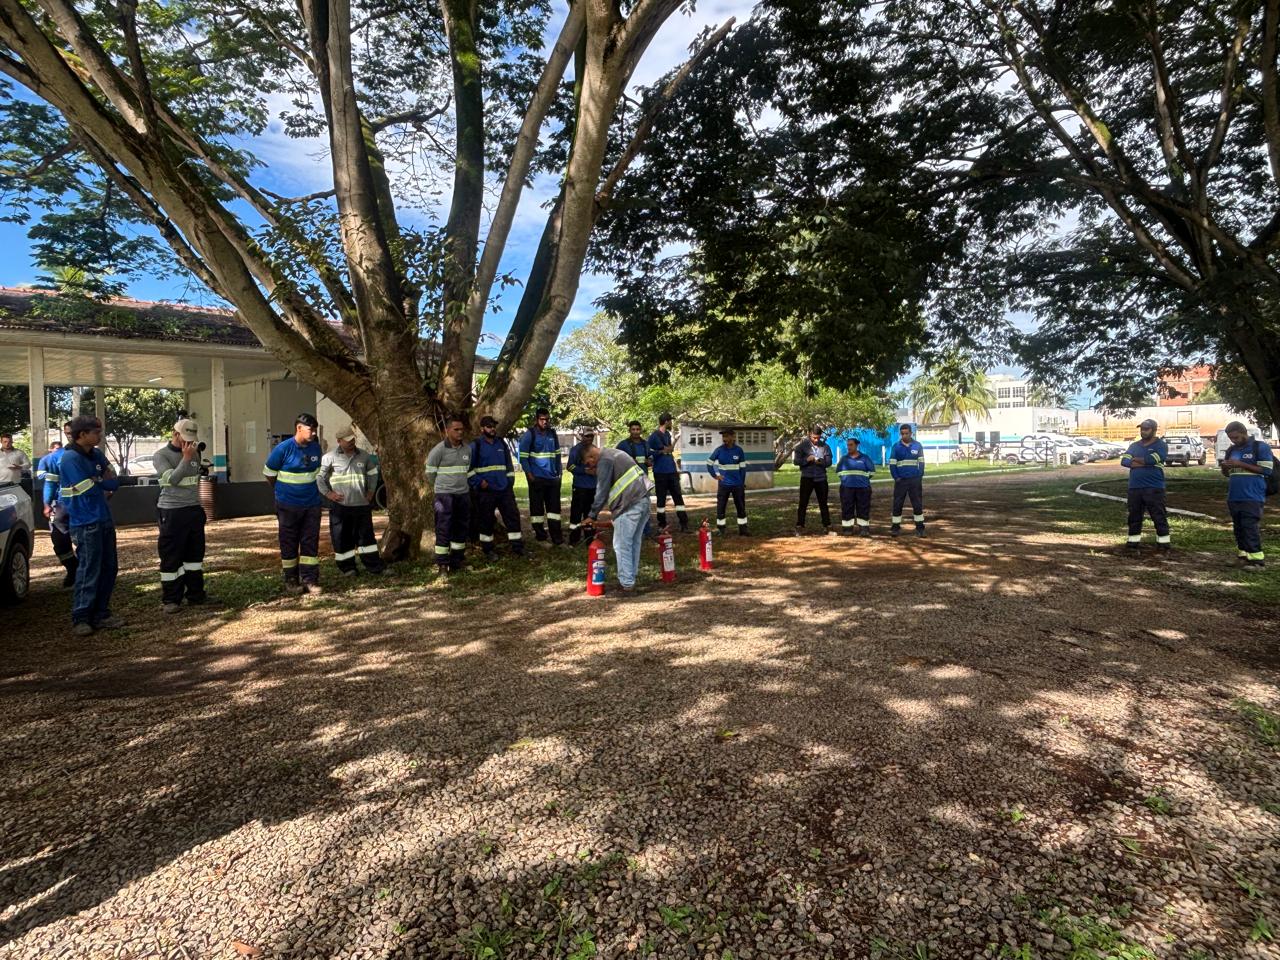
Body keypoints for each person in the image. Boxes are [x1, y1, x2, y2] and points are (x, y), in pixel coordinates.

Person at [58, 416, 121, 635]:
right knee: (89, 569)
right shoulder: (70, 459)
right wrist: (100, 481)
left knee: (109, 567)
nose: (100, 436)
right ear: (82, 434)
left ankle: (101, 613)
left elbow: (114, 481)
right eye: (96, 432)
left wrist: (98, 481)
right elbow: (87, 487)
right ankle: (81, 617)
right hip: (85, 522)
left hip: (103, 518)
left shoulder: (96, 454)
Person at [264, 412, 324, 594]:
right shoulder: (283, 449)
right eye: (311, 429)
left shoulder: (316, 448)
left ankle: (309, 580)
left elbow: (317, 473)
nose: (314, 433)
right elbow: (269, 473)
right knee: (289, 542)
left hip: (312, 504)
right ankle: (291, 580)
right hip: (288, 505)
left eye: (315, 430)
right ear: (299, 428)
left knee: (310, 541)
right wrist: (283, 491)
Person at [152, 418, 208, 612]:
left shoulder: (194, 452)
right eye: (185, 438)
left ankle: (196, 594)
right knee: (171, 555)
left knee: (194, 556)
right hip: (172, 511)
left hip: (193, 509)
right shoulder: (161, 456)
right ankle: (171, 599)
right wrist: (186, 458)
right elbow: (173, 480)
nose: (189, 442)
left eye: (191, 439)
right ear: (175, 434)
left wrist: (191, 456)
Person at [580, 444, 651, 593]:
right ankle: (630, 579)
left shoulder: (604, 460)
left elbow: (602, 490)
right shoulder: (615, 453)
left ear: (591, 456)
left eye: (588, 463)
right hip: (643, 501)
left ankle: (627, 583)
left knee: (622, 545)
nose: (589, 466)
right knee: (633, 543)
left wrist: (592, 515)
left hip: (628, 505)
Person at [317, 424, 384, 577]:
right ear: (339, 441)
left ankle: (374, 566)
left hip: (361, 505)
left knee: (366, 537)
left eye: (353, 439)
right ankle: (348, 568)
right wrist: (329, 494)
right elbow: (320, 478)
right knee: (342, 538)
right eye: (348, 440)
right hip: (340, 507)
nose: (351, 442)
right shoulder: (329, 458)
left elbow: (373, 474)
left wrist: (371, 491)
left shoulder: (364, 456)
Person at [469, 415, 525, 560]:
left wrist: (510, 481)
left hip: (504, 489)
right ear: (482, 429)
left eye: (494, 426)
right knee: (486, 521)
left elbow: (509, 465)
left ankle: (517, 548)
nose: (492, 429)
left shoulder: (501, 443)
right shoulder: (475, 445)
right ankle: (488, 550)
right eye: (489, 426)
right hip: (486, 491)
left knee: (512, 517)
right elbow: (468, 469)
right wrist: (479, 482)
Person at [1220, 421, 1273, 568]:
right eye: (1231, 438)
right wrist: (1225, 467)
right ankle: (1243, 556)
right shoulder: (1232, 450)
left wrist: (1241, 464)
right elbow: (1228, 474)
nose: (1234, 441)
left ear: (1244, 433)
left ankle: (1257, 561)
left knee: (1249, 527)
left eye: (1236, 437)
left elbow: (1266, 470)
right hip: (1234, 495)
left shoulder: (1259, 447)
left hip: (1252, 495)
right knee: (1238, 528)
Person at [426, 415, 472, 574]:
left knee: (461, 528)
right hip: (444, 496)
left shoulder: (467, 449)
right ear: (447, 431)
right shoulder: (438, 450)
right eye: (456, 429)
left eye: (462, 429)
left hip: (463, 495)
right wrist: (442, 487)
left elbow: (468, 470)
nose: (460, 432)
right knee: (443, 528)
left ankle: (457, 561)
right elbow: (430, 473)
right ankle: (442, 565)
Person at [1120, 418, 1170, 550]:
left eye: (1146, 429)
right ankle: (1133, 542)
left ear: (1154, 430)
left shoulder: (1161, 445)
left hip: (1154, 487)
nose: (1143, 431)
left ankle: (1164, 543)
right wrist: (1143, 462)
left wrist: (1135, 460)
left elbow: (1153, 460)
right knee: (1134, 516)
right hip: (1135, 487)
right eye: (1142, 429)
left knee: (1158, 515)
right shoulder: (1134, 445)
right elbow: (1124, 461)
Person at [518, 408, 565, 546]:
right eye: (542, 419)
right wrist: (530, 475)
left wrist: (559, 473)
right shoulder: (530, 434)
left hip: (552, 478)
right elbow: (523, 457)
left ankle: (557, 539)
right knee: (537, 510)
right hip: (537, 478)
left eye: (547, 419)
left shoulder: (552, 434)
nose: (545, 422)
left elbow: (557, 454)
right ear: (537, 420)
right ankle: (541, 538)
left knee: (554, 511)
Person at [37, 430, 77, 587]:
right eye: (67, 433)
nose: (70, 435)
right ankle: (72, 568)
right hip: (61, 504)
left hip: (85, 505)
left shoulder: (94, 455)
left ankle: (86, 571)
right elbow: (49, 481)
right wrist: (47, 503)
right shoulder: (52, 458)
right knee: (59, 540)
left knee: (85, 540)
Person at [649, 413, 688, 532]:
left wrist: (667, 450)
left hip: (671, 471)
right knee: (661, 499)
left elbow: (670, 449)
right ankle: (662, 525)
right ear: (666, 421)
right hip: (660, 472)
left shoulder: (667, 434)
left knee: (678, 497)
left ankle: (684, 524)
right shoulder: (654, 436)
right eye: (670, 421)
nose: (671, 423)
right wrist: (661, 451)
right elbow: (649, 452)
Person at [707, 427, 750, 535]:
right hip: (724, 485)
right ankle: (721, 530)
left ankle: (743, 530)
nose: (724, 439)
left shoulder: (739, 450)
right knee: (721, 507)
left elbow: (743, 468)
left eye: (726, 436)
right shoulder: (719, 450)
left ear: (733, 437)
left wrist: (741, 482)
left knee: (741, 507)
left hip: (737, 485)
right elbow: (709, 463)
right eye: (723, 436)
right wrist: (715, 476)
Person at [793, 427, 834, 535]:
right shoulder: (802, 446)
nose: (816, 440)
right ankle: (800, 526)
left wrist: (820, 462)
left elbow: (829, 462)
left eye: (818, 438)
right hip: (807, 478)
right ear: (809, 435)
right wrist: (807, 460)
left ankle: (827, 526)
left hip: (821, 478)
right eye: (814, 438)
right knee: (803, 502)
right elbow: (796, 461)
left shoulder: (825, 447)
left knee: (823, 503)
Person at [889, 424, 926, 537]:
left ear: (911, 433)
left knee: (917, 504)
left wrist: (919, 476)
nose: (904, 435)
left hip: (914, 481)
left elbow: (921, 462)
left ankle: (920, 528)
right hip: (901, 481)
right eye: (902, 434)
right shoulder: (896, 447)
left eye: (906, 433)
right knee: (897, 504)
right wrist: (896, 478)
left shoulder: (917, 445)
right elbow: (892, 464)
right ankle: (895, 528)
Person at [837, 437, 876, 535]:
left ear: (856, 445)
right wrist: (846, 479)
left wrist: (863, 479)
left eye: (851, 445)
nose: (849, 447)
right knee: (847, 507)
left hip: (863, 488)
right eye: (848, 445)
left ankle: (864, 529)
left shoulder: (865, 458)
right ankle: (847, 529)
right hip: (846, 488)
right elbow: (838, 472)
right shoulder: (844, 459)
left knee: (863, 507)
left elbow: (872, 471)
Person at [566, 428, 598, 546]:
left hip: (593, 487)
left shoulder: (595, 450)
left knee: (590, 514)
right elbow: (570, 466)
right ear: (582, 436)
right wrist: (584, 471)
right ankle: (574, 540)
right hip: (579, 487)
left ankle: (590, 540)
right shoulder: (576, 450)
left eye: (591, 436)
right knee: (576, 514)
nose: (589, 438)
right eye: (587, 436)